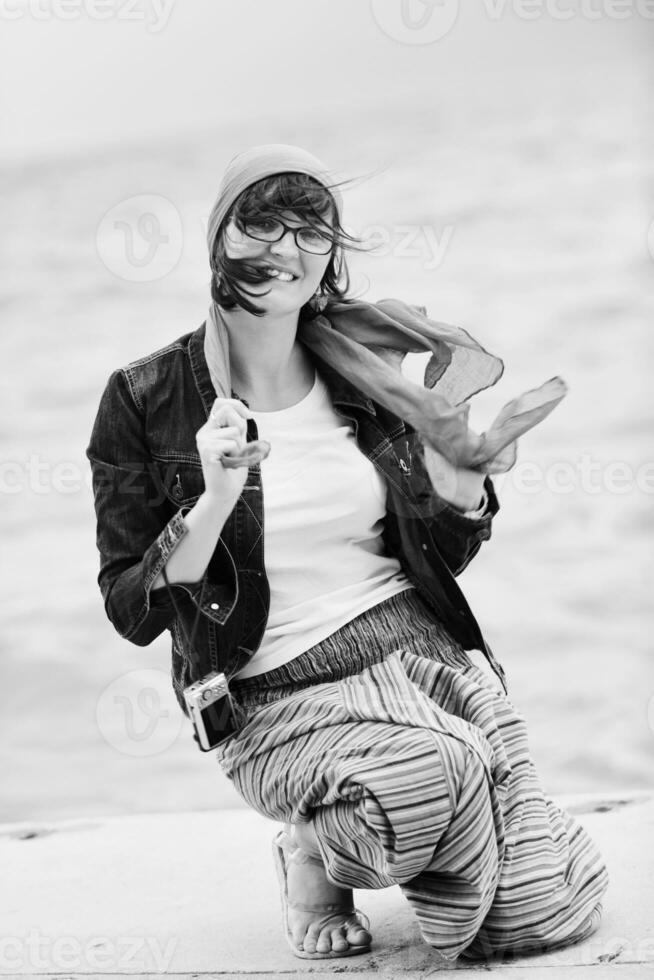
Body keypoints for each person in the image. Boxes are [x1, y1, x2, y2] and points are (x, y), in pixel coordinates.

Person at [86, 144, 608, 965]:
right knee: (435, 773)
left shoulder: (369, 377)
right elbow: (130, 606)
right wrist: (215, 499)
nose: (287, 249)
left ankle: (459, 812)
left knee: (536, 923)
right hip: (273, 699)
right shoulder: (145, 397)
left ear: (332, 253)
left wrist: (460, 489)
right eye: (263, 223)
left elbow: (440, 554)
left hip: (423, 662)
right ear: (221, 238)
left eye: (311, 229)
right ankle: (316, 853)